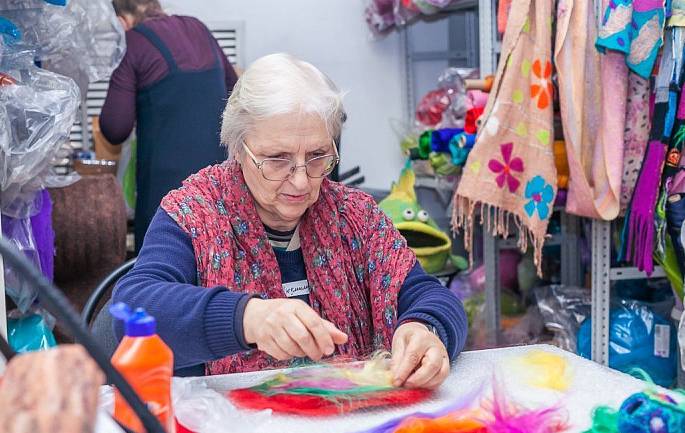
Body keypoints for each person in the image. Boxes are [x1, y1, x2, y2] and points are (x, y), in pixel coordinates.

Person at [112, 54, 467, 390]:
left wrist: (426, 328)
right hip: (229, 427)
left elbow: (429, 295)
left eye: (317, 156)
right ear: (238, 149)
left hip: (345, 420)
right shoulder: (193, 213)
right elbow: (132, 310)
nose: (301, 181)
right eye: (277, 159)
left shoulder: (356, 216)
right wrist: (247, 318)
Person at [99, 0, 238, 249]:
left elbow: (114, 128)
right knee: (218, 260)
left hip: (165, 193)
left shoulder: (133, 42)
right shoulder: (199, 28)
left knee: (163, 264)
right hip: (219, 185)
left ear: (122, 21)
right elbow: (234, 94)